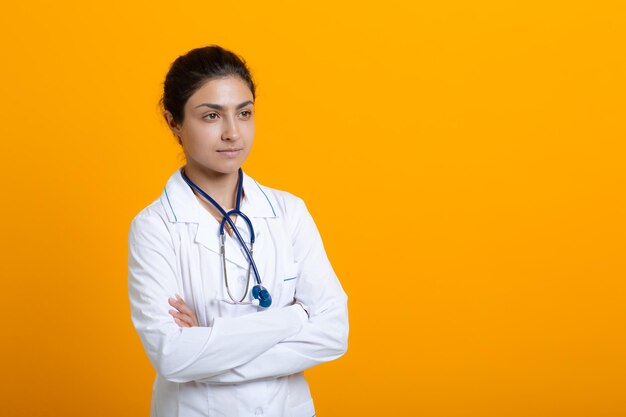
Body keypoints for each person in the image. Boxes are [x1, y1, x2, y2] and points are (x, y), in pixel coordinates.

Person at [128, 45, 349, 417]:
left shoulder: (288, 212)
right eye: (212, 115)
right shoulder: (155, 227)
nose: (233, 133)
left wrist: (208, 351)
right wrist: (294, 317)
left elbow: (332, 333)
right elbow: (173, 357)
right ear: (173, 122)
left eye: (244, 113)